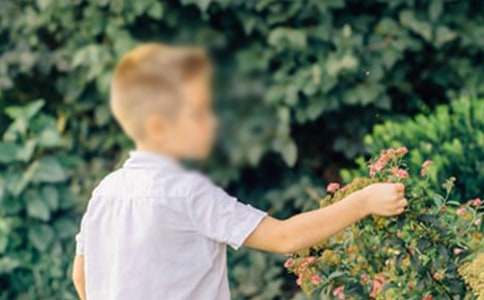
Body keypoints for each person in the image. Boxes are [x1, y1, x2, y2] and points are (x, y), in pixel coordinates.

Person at [71, 43, 407, 300]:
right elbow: (284, 237)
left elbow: (82, 277)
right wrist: (364, 202)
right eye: (199, 113)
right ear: (159, 126)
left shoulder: (105, 192)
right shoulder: (188, 193)